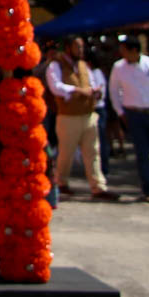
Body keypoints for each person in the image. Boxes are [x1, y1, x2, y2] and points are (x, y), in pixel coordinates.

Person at [46, 37, 119, 200]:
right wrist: (78, 90)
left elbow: (92, 83)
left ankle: (98, 186)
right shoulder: (56, 65)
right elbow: (56, 87)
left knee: (93, 152)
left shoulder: (83, 65)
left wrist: (95, 92)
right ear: (67, 48)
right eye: (77, 47)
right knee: (66, 153)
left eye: (82, 47)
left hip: (88, 114)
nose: (81, 50)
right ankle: (61, 182)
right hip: (68, 116)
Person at [110, 37, 149, 203]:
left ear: (134, 50)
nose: (122, 53)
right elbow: (114, 91)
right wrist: (120, 112)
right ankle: (148, 188)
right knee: (142, 153)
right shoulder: (119, 68)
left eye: (124, 49)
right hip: (134, 114)